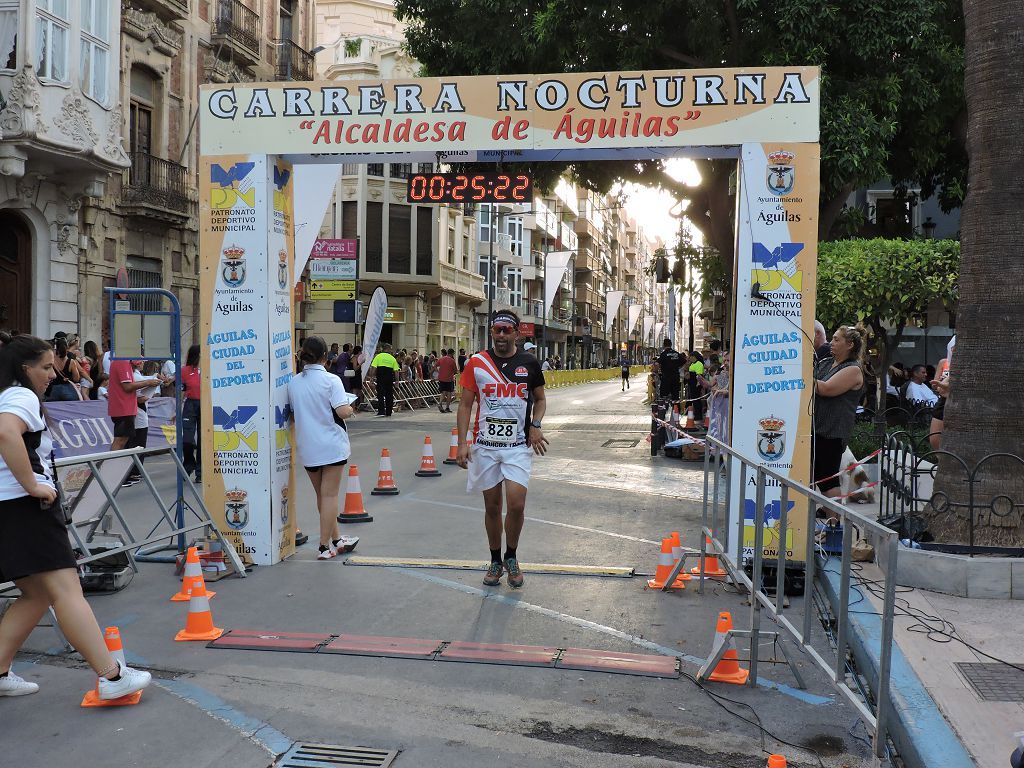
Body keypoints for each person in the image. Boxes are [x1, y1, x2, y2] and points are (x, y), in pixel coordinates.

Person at [0, 335, 151, 699]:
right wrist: (33, 485)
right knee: (67, 591)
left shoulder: (8, 394)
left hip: (11, 509)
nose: (53, 374)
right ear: (25, 369)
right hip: (26, 508)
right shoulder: (20, 396)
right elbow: (6, 433)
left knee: (35, 595)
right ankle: (112, 677)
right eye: (46, 367)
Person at [456, 310, 547, 589]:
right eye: (498, 330)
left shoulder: (529, 363)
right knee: (493, 507)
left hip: (517, 447)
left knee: (517, 505)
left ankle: (512, 556)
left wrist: (536, 424)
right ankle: (495, 560)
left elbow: (540, 399)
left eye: (508, 331)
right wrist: (462, 443)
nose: (502, 335)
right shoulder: (477, 363)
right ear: (492, 332)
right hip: (486, 447)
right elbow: (465, 405)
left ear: (517, 333)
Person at [287, 337, 357, 560]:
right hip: (331, 445)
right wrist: (350, 406)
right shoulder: (332, 380)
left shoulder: (293, 383)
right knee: (330, 496)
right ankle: (324, 546)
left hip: (308, 447)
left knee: (322, 496)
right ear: (325, 357)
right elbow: (342, 411)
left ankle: (336, 539)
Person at [812, 326, 866, 522]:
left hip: (832, 431)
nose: (831, 343)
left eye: (836, 340)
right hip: (815, 428)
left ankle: (834, 523)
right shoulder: (827, 363)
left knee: (827, 479)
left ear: (849, 344)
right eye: (832, 339)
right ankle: (827, 518)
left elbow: (826, 388)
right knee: (818, 477)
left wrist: (799, 377)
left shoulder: (853, 369)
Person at [107, 357, 161, 452]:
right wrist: (148, 382)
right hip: (123, 408)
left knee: (122, 440)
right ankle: (110, 464)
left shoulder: (122, 362)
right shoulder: (122, 362)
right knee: (120, 440)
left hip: (125, 408)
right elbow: (127, 386)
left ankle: (112, 464)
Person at [181, 344, 202, 483]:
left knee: (203, 441)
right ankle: (189, 464)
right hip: (190, 405)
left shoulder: (210, 370)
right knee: (187, 439)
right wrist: (176, 410)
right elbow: (180, 391)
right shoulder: (184, 370)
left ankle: (201, 472)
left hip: (206, 405)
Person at [44, 336, 81, 401]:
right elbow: (76, 378)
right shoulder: (71, 362)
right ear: (66, 348)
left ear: (56, 348)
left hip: (53, 390)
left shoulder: (52, 361)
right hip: (68, 391)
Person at [368, 343, 399, 417]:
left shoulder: (378, 357)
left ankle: (381, 411)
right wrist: (397, 381)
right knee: (389, 394)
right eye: (391, 349)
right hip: (389, 378)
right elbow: (396, 371)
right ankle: (389, 411)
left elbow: (373, 368)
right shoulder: (392, 358)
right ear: (388, 349)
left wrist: (371, 378)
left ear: (383, 349)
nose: (391, 350)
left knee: (380, 394)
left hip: (381, 377)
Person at [436, 348, 458, 413]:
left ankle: (440, 403)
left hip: (441, 378)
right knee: (449, 393)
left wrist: (438, 371)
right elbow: (455, 370)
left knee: (443, 392)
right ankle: (447, 407)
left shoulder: (441, 359)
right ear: (452, 353)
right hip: (449, 379)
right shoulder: (452, 361)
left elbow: (435, 366)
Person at [686, 351, 706, 423]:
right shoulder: (692, 364)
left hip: (696, 383)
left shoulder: (699, 364)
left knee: (697, 400)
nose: (689, 358)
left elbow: (699, 375)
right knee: (694, 399)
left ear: (694, 357)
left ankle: (698, 415)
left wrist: (698, 383)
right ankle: (696, 414)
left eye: (690, 357)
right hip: (691, 383)